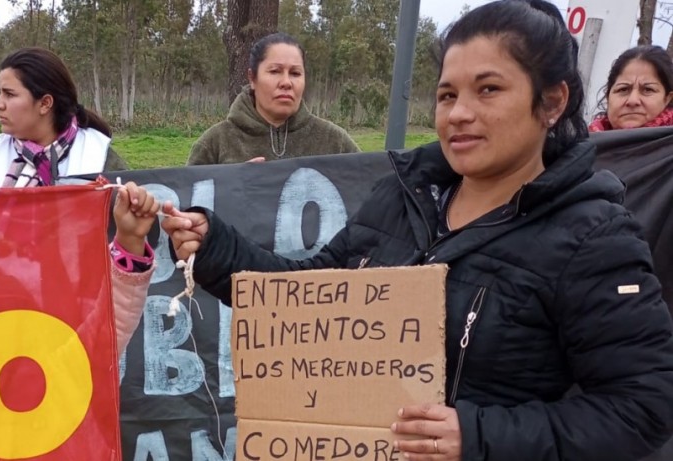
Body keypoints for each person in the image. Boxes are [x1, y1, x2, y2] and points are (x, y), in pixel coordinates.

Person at [161, 1, 673, 459]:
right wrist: (213, 244)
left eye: (489, 89)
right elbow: (310, 291)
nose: (460, 114)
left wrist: (479, 436)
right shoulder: (404, 196)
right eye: (447, 95)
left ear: (552, 102)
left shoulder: (595, 238)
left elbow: (644, 407)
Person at [0, 47, 128, 188]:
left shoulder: (98, 157)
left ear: (45, 103)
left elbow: (134, 221)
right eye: (0, 93)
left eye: (10, 94)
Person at [187, 33, 360, 165]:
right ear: (252, 78)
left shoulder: (336, 142)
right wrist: (232, 185)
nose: (286, 82)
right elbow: (187, 207)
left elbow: (371, 195)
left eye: (295, 73)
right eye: (275, 71)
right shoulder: (214, 143)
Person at [589, 45, 673, 132]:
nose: (633, 101)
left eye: (648, 89)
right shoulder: (585, 143)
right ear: (608, 96)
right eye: (623, 89)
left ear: (667, 98)